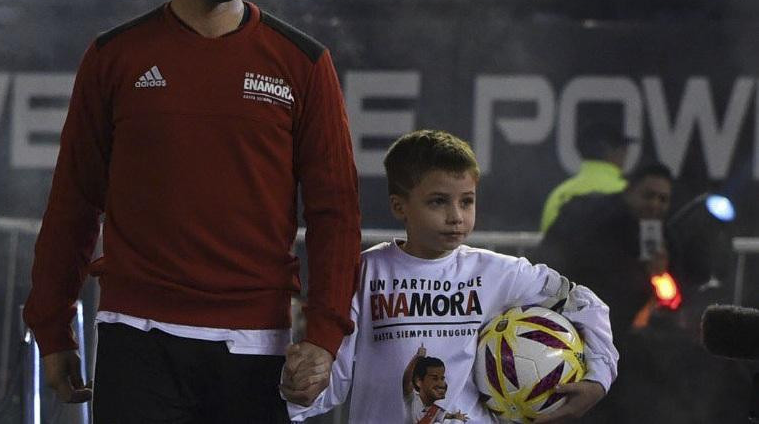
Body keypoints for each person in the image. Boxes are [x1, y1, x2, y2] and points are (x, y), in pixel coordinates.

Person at [22, 0, 361, 423]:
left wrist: (324, 336)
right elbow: (74, 200)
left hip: (255, 346)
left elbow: (336, 213)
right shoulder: (114, 58)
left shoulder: (303, 62)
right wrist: (52, 325)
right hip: (137, 338)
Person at [284, 129, 617, 423]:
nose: (456, 216)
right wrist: (299, 389)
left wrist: (598, 380)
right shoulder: (367, 272)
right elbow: (331, 382)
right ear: (400, 207)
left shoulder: (498, 272)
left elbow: (586, 305)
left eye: (467, 201)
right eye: (438, 202)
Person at [534, 163, 672, 343]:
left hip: (620, 331)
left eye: (663, 199)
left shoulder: (666, 236)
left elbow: (671, 298)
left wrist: (658, 274)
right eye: (648, 196)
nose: (655, 205)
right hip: (573, 320)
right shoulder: (593, 218)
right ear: (630, 191)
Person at [540, 120, 633, 233]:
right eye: (623, 148)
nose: (626, 153)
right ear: (614, 151)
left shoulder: (558, 194)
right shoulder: (628, 193)